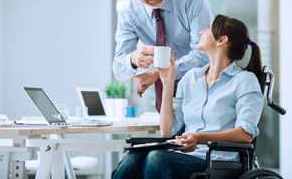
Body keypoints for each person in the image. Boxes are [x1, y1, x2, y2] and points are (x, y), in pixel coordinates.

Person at [113, 14, 264, 179]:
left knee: (156, 159)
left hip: (217, 162)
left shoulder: (244, 81)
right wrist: (168, 82)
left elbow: (245, 134)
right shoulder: (191, 78)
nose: (201, 32)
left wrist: (199, 138)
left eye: (208, 28)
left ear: (221, 40)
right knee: (131, 159)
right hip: (183, 156)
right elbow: (167, 131)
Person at [113, 0, 213, 111]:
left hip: (203, 90)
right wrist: (132, 58)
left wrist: (157, 73)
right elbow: (119, 70)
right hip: (168, 100)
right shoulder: (128, 14)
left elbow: (205, 55)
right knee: (168, 135)